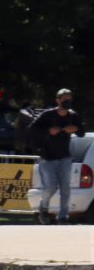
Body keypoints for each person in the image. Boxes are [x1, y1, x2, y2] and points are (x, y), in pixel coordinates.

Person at [30, 88, 84, 224]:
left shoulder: (73, 116)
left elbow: (82, 132)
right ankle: (43, 209)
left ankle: (63, 217)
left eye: (69, 99)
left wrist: (76, 129)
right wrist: (48, 130)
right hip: (47, 158)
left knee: (65, 187)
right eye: (64, 99)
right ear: (58, 100)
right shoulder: (48, 115)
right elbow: (33, 128)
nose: (67, 101)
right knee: (50, 187)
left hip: (65, 157)